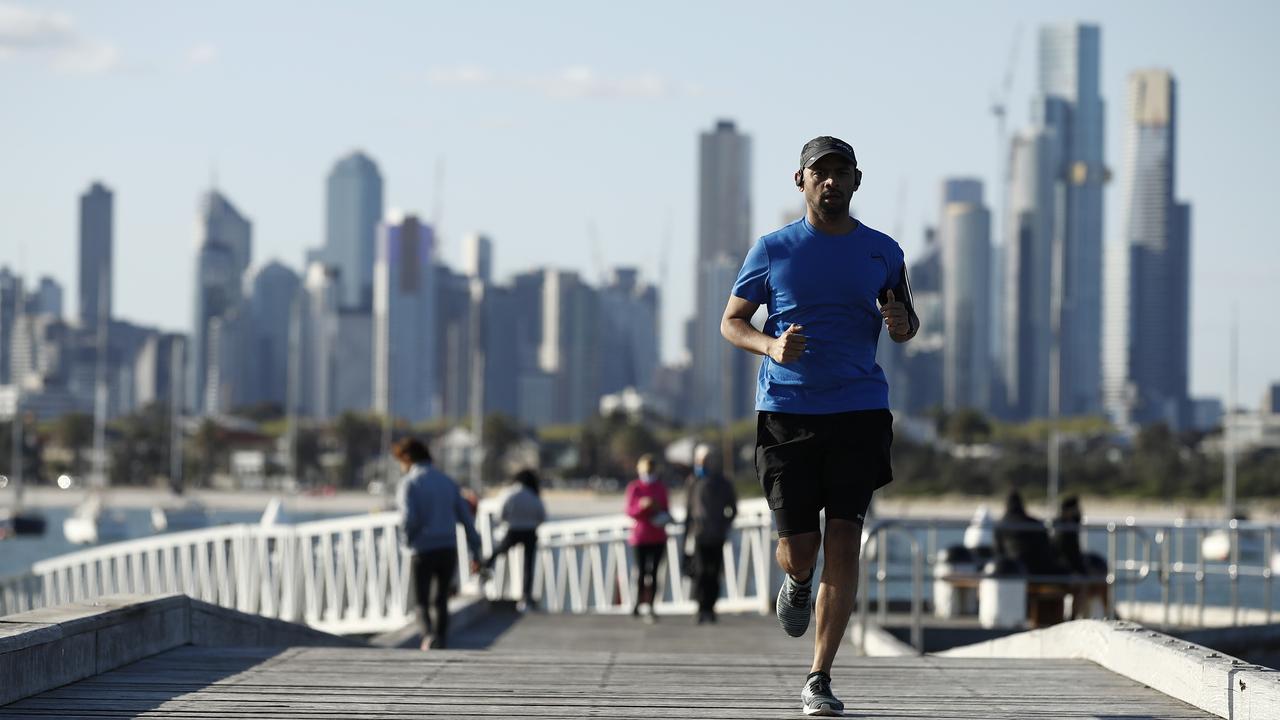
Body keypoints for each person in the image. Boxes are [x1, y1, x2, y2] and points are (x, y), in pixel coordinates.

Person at [720, 136, 918, 716]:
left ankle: (819, 676)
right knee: (798, 548)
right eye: (820, 172)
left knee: (845, 540)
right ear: (800, 181)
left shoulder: (883, 251)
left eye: (841, 172)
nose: (831, 181)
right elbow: (732, 322)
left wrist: (903, 322)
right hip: (787, 412)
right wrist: (770, 345)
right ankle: (798, 582)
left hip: (859, 410)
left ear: (858, 182)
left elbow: (904, 325)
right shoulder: (773, 249)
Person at [393, 437, 481, 650]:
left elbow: (409, 519)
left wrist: (406, 541)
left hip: (422, 548)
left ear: (407, 458)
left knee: (421, 601)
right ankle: (441, 641)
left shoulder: (409, 483)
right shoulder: (447, 481)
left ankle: (428, 635)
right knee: (441, 599)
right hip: (448, 548)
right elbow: (465, 518)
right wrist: (475, 551)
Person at [683, 443, 738, 624]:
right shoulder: (693, 481)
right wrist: (686, 534)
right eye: (701, 460)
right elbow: (688, 511)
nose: (704, 463)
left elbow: (733, 508)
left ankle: (711, 607)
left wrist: (724, 524)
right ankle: (700, 607)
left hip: (717, 534)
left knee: (714, 572)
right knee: (699, 572)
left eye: (707, 460)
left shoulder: (723, 482)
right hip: (699, 534)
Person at [482, 468, 547, 610]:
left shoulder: (509, 493)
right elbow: (542, 516)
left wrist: (510, 521)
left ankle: (484, 567)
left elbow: (500, 514)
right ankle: (527, 595)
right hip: (530, 532)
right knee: (529, 565)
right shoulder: (534, 495)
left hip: (513, 530)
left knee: (499, 551)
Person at [624, 454, 670, 622]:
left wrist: (658, 509)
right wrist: (641, 506)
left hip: (657, 536)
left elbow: (666, 510)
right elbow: (629, 511)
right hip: (640, 537)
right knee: (641, 572)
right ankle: (637, 602)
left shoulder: (660, 488)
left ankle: (651, 605)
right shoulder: (634, 487)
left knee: (655, 573)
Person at [994, 490, 1062, 576]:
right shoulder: (1034, 524)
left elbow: (998, 553)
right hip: (1037, 569)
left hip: (1013, 570)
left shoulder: (1000, 526)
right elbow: (1047, 550)